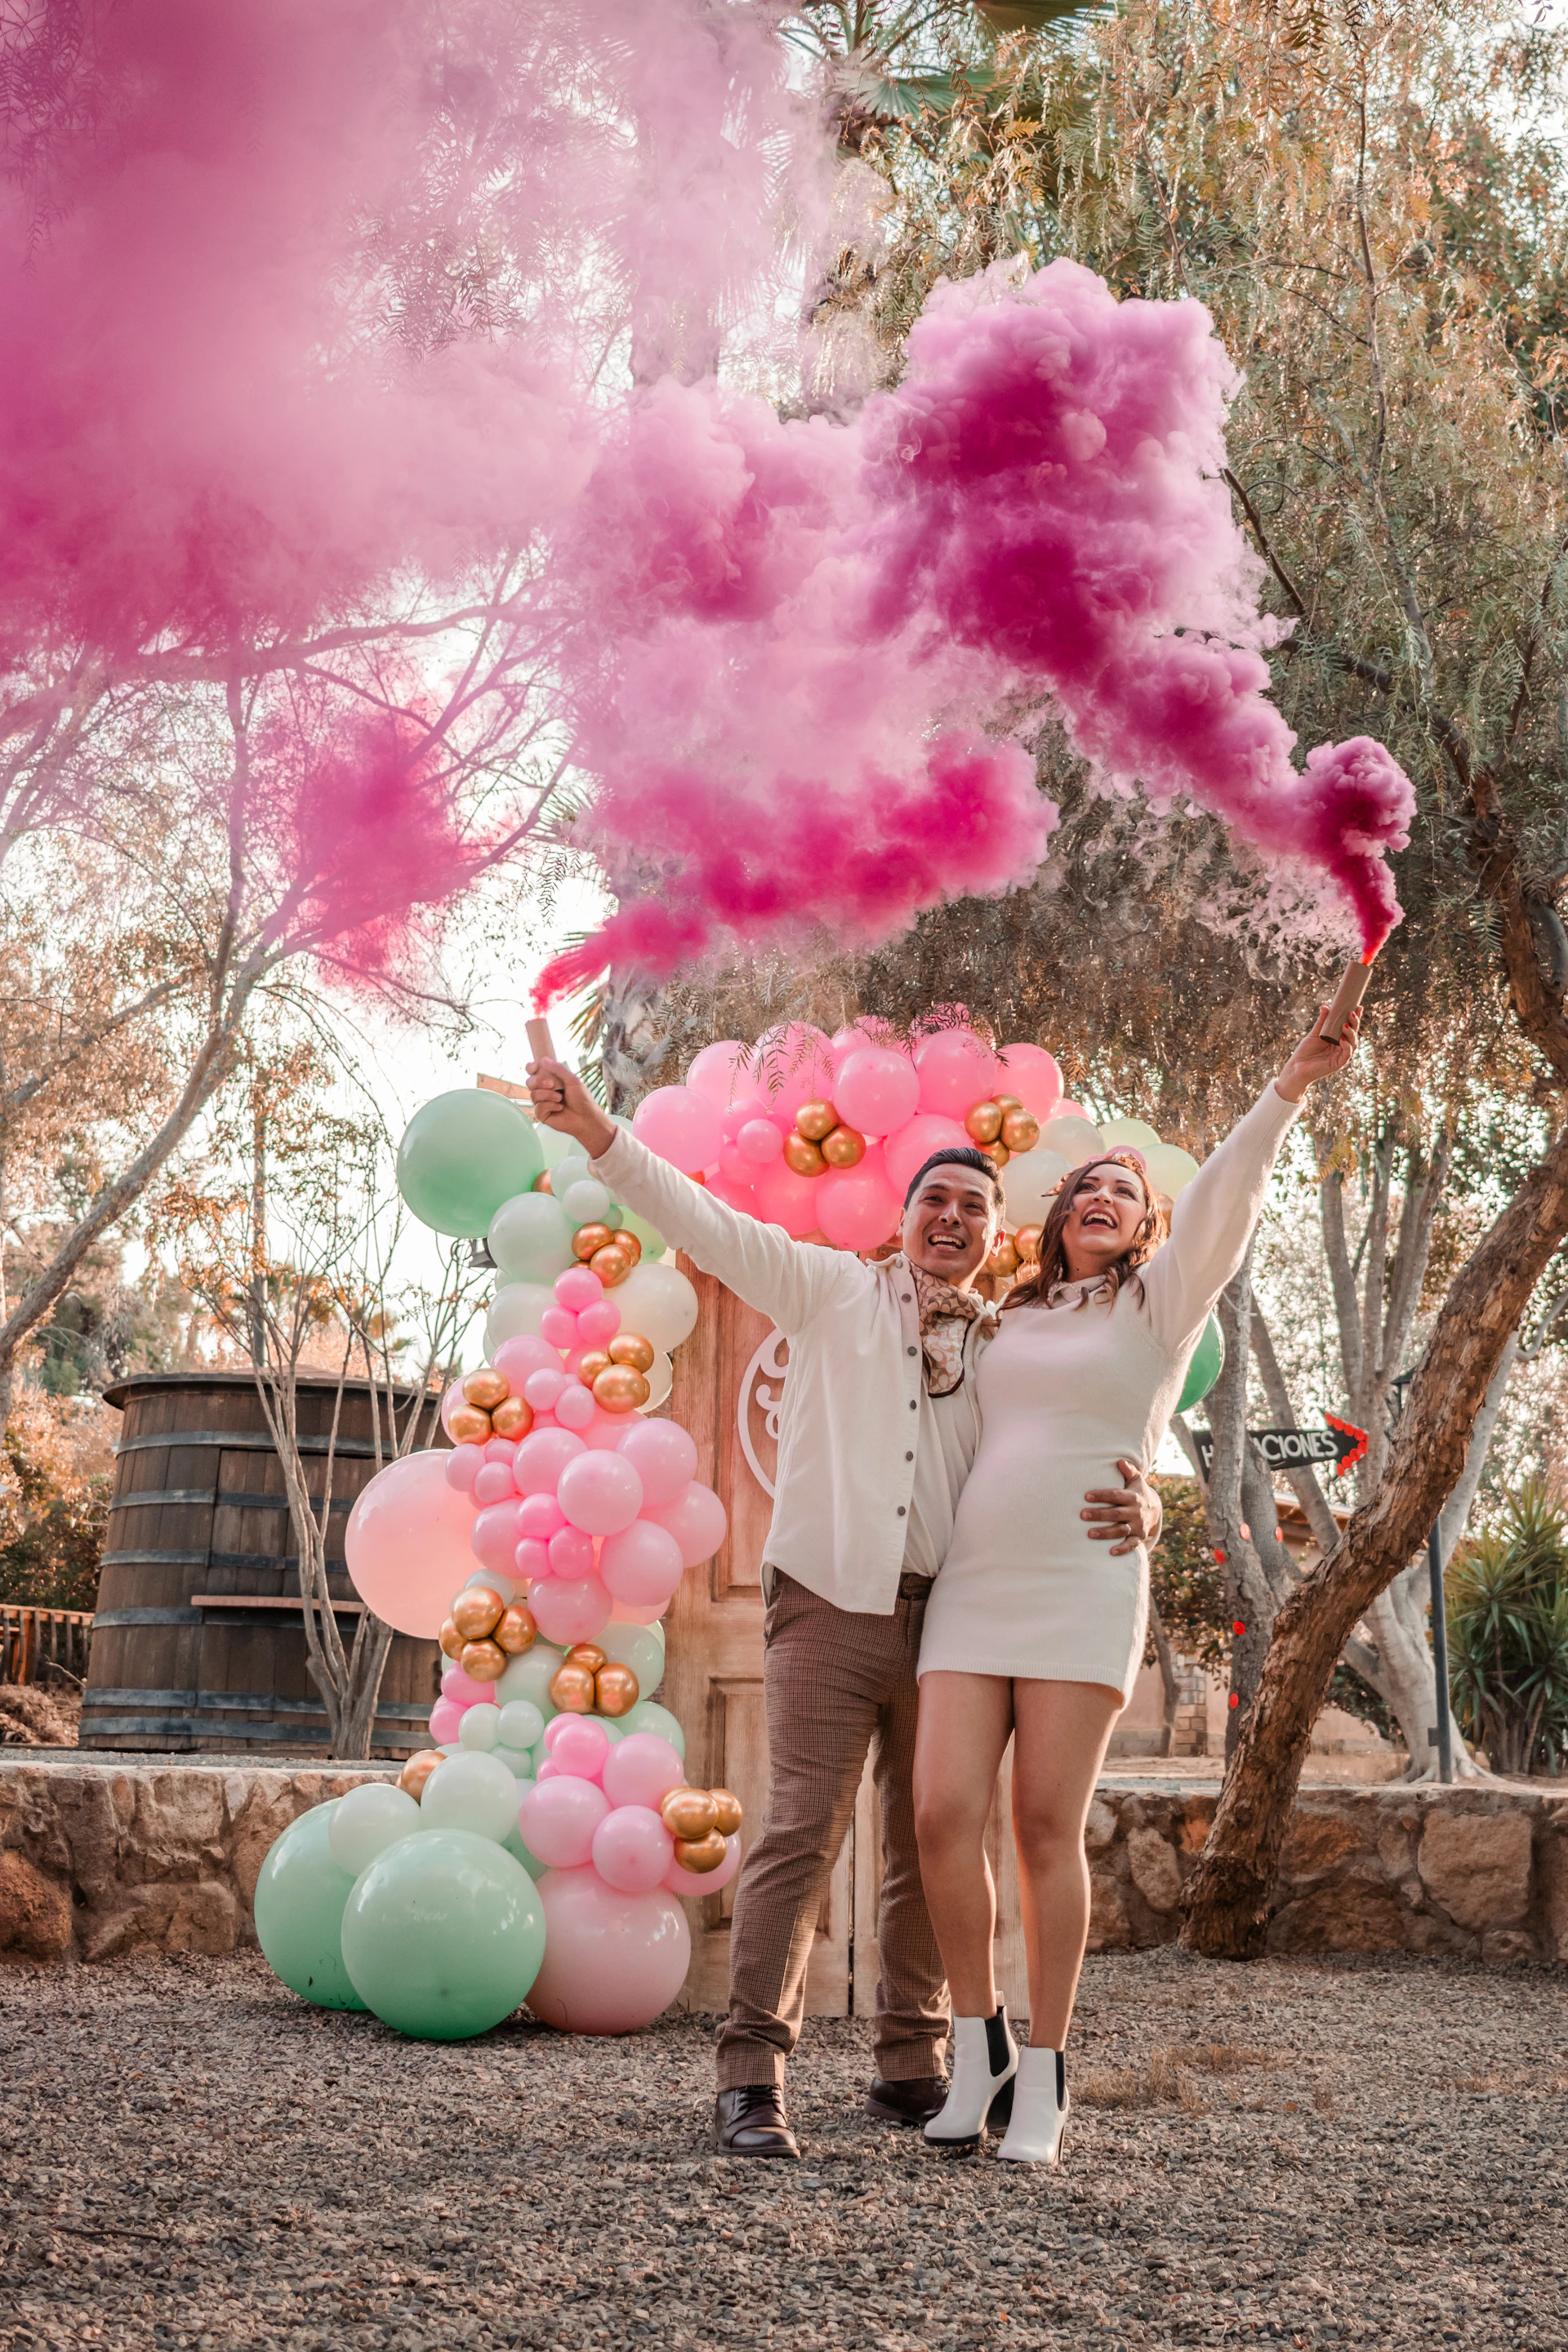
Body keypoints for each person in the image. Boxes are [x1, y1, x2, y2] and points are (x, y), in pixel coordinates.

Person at [525, 1051, 1163, 2160]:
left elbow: (1083, 1419)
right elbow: (704, 1217)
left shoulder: (1001, 1339)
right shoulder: (824, 1289)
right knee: (799, 1836)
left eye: (975, 1205)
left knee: (936, 1845)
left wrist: (1146, 1492)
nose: (954, 1217)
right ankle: (751, 2076)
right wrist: (597, 1133)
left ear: (996, 1231)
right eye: (936, 1200)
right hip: (826, 1607)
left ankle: (918, 2065)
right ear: (905, 1219)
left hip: (955, 1621)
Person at [914, 1005, 1361, 2167]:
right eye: (1085, 1187)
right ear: (1059, 1219)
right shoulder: (1004, 1315)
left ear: (1146, 1226)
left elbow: (1226, 1196)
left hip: (1082, 1581)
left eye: (1124, 1188)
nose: (1102, 1193)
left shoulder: (1160, 1308)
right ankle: (979, 2053)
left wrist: (1287, 1086)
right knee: (940, 1815)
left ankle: (1049, 2077)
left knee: (1042, 1824)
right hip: (972, 1584)